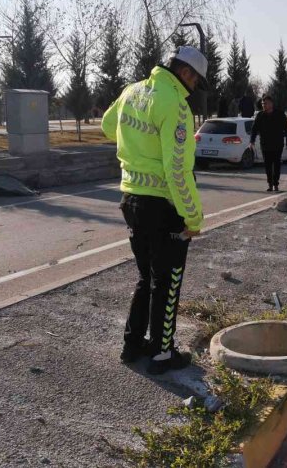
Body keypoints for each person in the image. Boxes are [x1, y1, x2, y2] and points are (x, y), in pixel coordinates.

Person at [101, 46, 206, 375]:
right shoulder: (175, 106)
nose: (194, 89)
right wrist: (193, 218)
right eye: (196, 82)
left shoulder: (133, 91)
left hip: (130, 199)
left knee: (146, 277)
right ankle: (163, 354)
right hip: (162, 206)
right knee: (168, 280)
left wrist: (136, 144)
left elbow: (108, 126)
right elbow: (177, 171)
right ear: (187, 74)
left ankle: (132, 346)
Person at [251, 95, 287, 192]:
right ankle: (270, 184)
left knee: (277, 164)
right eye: (262, 104)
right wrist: (251, 141)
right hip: (265, 144)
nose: (264, 105)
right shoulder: (260, 115)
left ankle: (276, 183)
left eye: (266, 103)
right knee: (268, 165)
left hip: (277, 144)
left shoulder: (280, 114)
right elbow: (254, 129)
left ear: (271, 104)